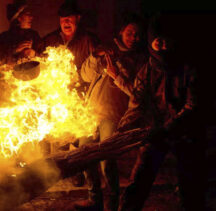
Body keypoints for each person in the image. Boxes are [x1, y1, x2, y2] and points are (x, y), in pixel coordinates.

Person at [117, 15, 206, 211]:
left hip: (186, 133)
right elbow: (137, 103)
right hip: (156, 131)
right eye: (158, 42)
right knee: (139, 180)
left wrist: (168, 129)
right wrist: (122, 130)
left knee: (190, 183)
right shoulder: (147, 70)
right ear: (151, 43)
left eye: (166, 42)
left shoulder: (188, 68)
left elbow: (193, 106)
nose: (163, 47)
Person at [76, 14, 147, 211]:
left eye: (137, 35)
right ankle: (94, 199)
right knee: (85, 155)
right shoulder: (107, 50)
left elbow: (137, 92)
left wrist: (117, 75)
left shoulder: (140, 60)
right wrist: (94, 56)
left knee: (107, 160)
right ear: (121, 32)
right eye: (130, 33)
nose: (134, 37)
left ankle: (113, 199)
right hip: (90, 113)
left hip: (112, 115)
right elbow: (85, 75)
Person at [42, 0, 98, 87]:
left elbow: (95, 69)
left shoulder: (88, 40)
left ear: (78, 18)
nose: (66, 22)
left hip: (79, 92)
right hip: (55, 92)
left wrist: (73, 79)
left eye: (69, 18)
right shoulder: (50, 40)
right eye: (63, 19)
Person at [0, 0, 42, 66]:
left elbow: (45, 57)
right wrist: (15, 50)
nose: (31, 17)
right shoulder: (4, 37)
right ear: (18, 18)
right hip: (9, 75)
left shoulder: (34, 36)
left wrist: (34, 54)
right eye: (27, 14)